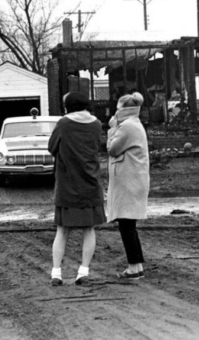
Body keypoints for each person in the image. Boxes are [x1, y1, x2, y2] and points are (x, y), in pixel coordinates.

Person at [48, 92, 105, 286]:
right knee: (89, 230)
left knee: (62, 231)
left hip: (67, 184)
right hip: (90, 183)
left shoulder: (63, 124)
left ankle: (56, 273)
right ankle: (84, 272)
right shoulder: (97, 124)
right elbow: (97, 147)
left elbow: (51, 147)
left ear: (67, 106)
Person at [106, 92, 150, 279]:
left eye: (117, 108)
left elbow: (112, 149)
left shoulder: (126, 127)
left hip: (128, 181)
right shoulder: (135, 124)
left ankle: (133, 268)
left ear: (123, 109)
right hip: (133, 179)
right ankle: (137, 265)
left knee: (126, 225)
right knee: (128, 224)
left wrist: (111, 129)